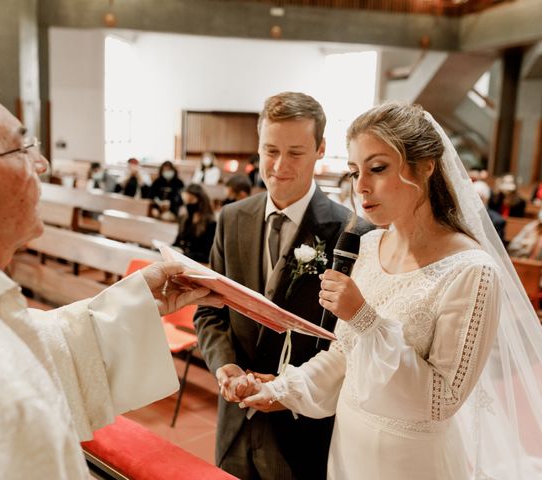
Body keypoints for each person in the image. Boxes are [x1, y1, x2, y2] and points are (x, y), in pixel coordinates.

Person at [0, 71, 220, 479]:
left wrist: (137, 300)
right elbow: (4, 362)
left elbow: (33, 343)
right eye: (21, 149)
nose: (43, 163)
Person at [237, 102, 542, 479]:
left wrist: (364, 318)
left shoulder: (472, 271)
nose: (361, 186)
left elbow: (443, 399)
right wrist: (282, 390)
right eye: (354, 172)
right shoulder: (368, 246)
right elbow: (345, 357)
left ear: (426, 165)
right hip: (348, 449)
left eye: (377, 168)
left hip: (410, 462)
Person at [194, 92, 372, 479]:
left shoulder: (352, 232)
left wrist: (287, 388)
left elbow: (348, 341)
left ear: (320, 149)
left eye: (295, 152)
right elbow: (210, 310)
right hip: (235, 417)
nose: (278, 166)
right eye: (270, 150)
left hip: (301, 428)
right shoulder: (232, 218)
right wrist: (225, 366)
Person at [173, 183, 217, 263]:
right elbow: (177, 243)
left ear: (201, 201)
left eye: (191, 200)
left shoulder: (211, 224)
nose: (188, 204)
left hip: (197, 264)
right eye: (185, 201)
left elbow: (207, 255)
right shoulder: (184, 219)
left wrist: (183, 254)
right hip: (181, 261)